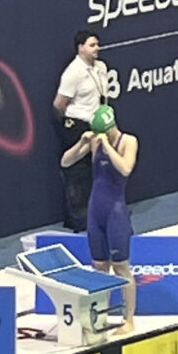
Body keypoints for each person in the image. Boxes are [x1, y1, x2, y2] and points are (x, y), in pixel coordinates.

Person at [61, 104, 138, 335]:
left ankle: (129, 320)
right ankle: (100, 317)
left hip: (116, 211)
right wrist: (82, 143)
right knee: (100, 267)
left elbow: (125, 169)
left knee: (121, 268)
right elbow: (65, 162)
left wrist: (107, 146)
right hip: (96, 211)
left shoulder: (128, 141)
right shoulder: (94, 141)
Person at [53, 30, 108, 231]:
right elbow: (59, 105)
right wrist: (70, 125)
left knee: (98, 171)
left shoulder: (101, 67)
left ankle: (98, 214)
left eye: (97, 44)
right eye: (92, 45)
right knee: (78, 174)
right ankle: (78, 220)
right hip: (77, 125)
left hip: (97, 124)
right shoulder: (73, 73)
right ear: (81, 48)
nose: (97, 48)